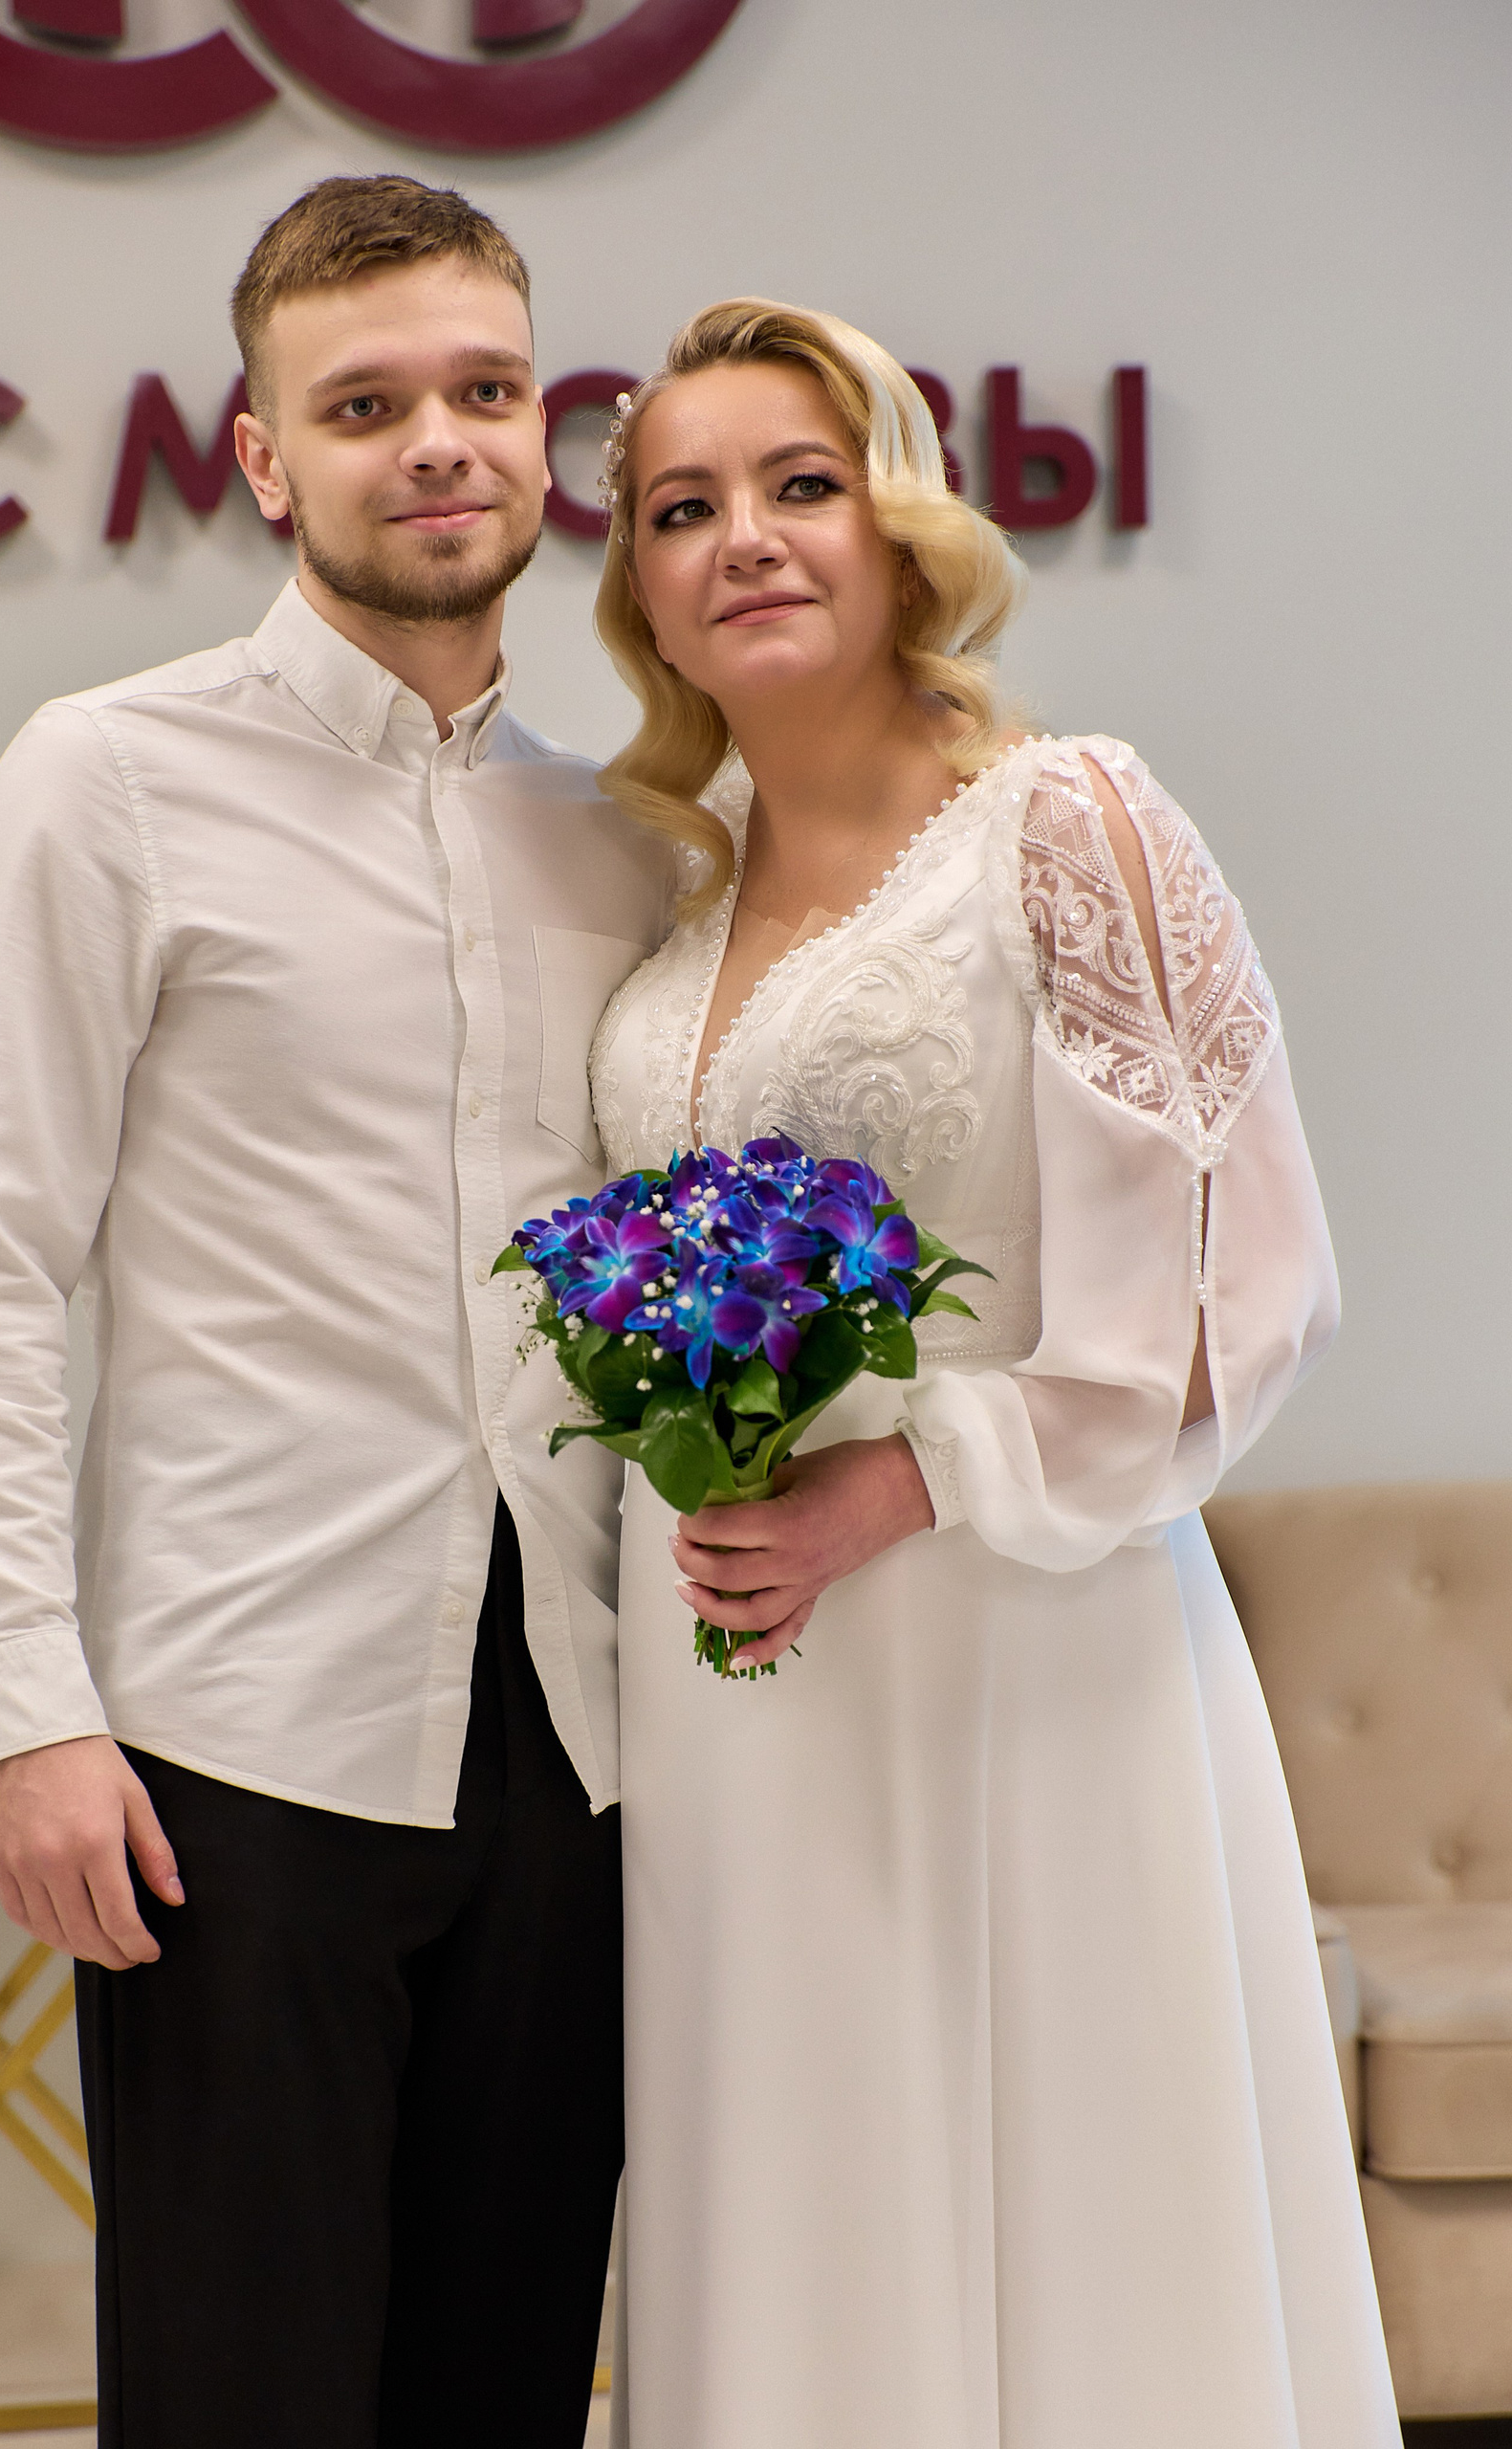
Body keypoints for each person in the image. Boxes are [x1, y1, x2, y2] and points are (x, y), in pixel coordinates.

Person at [0, 174, 671, 2449]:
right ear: (261, 455)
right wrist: (28, 1710)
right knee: (245, 2396)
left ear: (545, 432)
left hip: (580, 1738)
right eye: (364, 403)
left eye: (485, 389)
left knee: (501, 2386)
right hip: (235, 1741)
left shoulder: (625, 830)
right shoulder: (105, 780)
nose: (437, 442)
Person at [586, 298, 1398, 2448]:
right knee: (796, 2196)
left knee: (1077, 2207)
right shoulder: (670, 892)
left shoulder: (1069, 820)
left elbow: (1252, 1282)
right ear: (641, 585)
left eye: (801, 482)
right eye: (683, 507)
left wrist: (904, 1481)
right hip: (735, 1694)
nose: (745, 537)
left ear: (903, 522)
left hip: (1025, 1638)